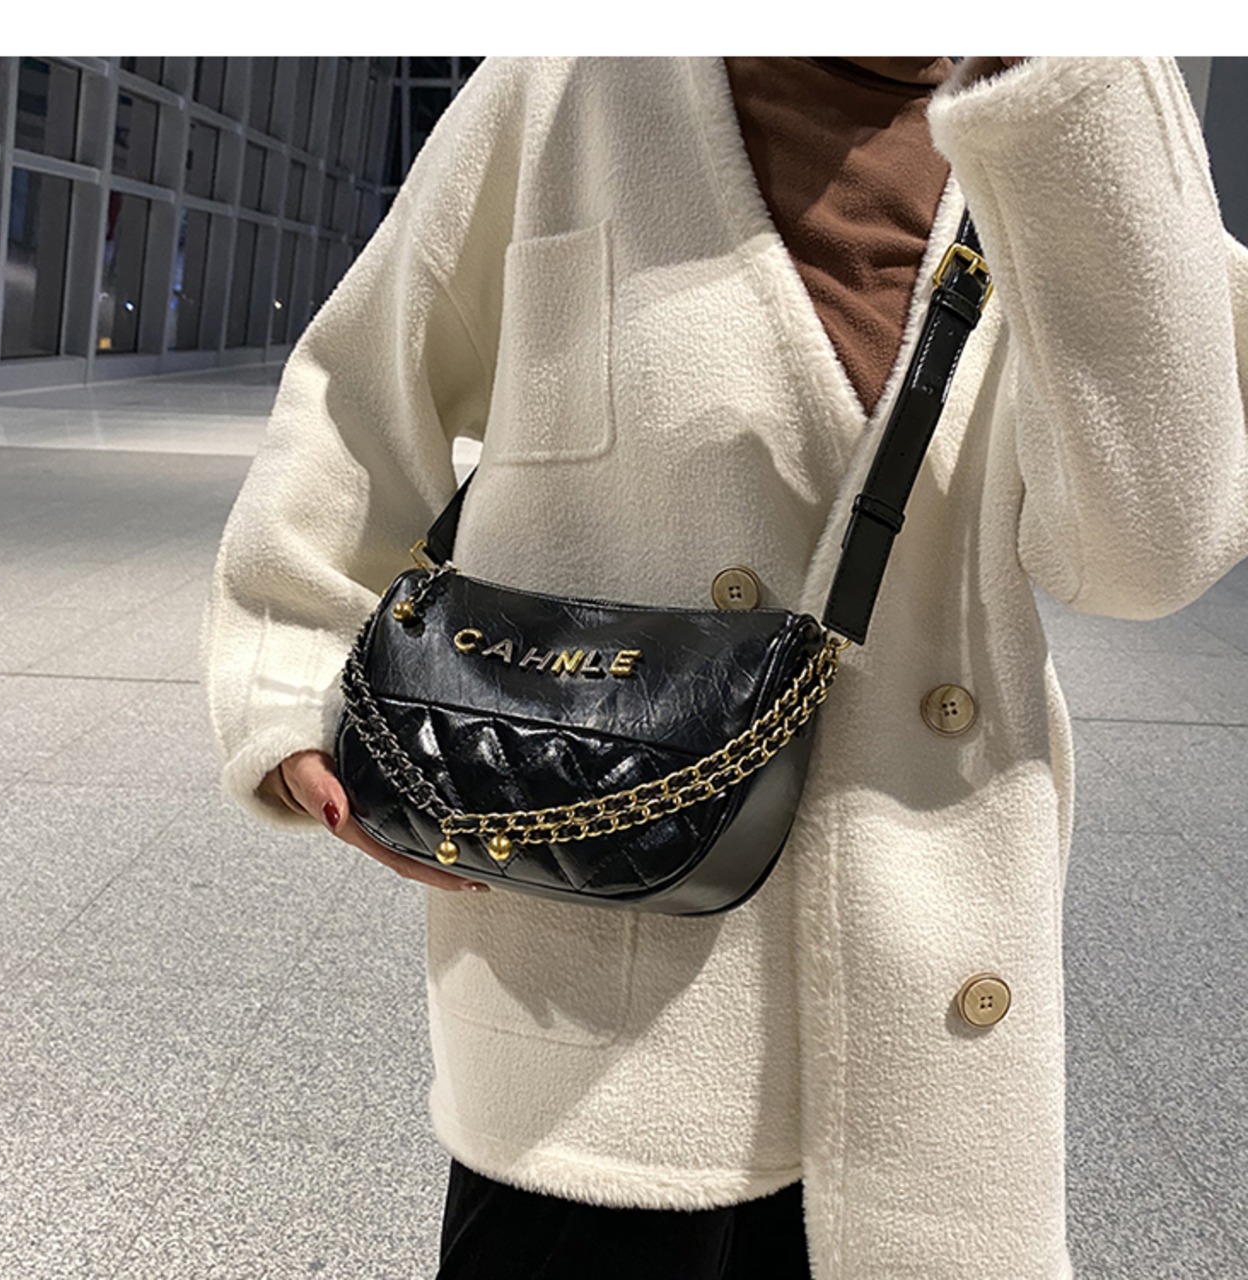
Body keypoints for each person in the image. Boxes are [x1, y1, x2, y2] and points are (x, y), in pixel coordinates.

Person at [202, 56, 1248, 1278]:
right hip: (590, 1006)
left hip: (929, 1003)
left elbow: (1140, 556)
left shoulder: (1076, 109)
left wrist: (1080, 85)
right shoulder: (565, 84)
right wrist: (294, 676)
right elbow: (355, 394)